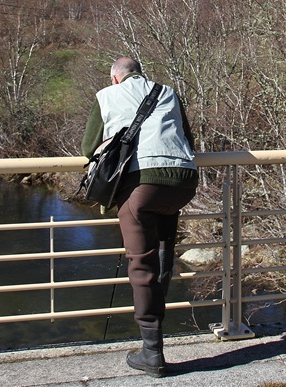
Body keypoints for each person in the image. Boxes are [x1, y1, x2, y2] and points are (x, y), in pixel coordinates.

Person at [81, 57, 198, 377]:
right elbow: (188, 139)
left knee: (141, 264)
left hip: (140, 187)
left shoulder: (106, 95)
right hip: (182, 182)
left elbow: (88, 147)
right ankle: (154, 341)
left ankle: (152, 353)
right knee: (162, 256)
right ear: (141, 74)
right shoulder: (168, 92)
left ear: (115, 78)